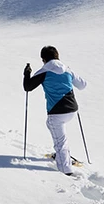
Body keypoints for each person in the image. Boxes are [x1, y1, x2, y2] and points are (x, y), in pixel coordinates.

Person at [23, 46, 87, 176]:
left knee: (60, 139)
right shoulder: (68, 70)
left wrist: (27, 73)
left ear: (43, 59)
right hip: (72, 110)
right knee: (59, 135)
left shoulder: (44, 71)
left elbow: (28, 87)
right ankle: (61, 155)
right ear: (57, 56)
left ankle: (66, 169)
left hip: (57, 112)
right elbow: (82, 85)